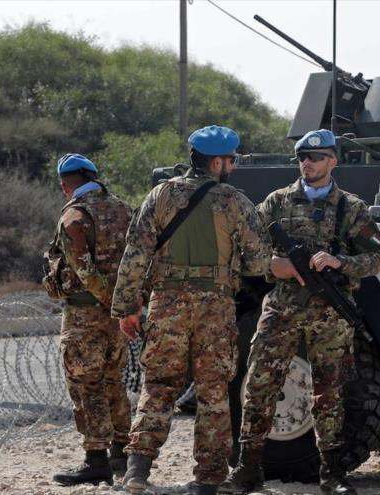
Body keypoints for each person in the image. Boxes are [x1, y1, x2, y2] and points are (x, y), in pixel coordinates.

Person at [222, 129, 380, 495]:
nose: (307, 163)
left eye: (316, 157)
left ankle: (332, 472)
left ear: (333, 161)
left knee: (330, 393)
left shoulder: (351, 209)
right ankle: (247, 469)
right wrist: (273, 265)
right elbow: (245, 251)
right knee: (259, 387)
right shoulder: (276, 204)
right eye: (303, 157)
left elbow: (377, 259)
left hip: (329, 313)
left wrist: (338, 261)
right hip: (281, 308)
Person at [112, 125, 271, 495]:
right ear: (217, 161)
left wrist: (127, 308)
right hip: (215, 306)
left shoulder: (160, 195)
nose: (232, 165)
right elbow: (260, 261)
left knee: (159, 385)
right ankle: (208, 480)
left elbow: (135, 254)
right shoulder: (234, 201)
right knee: (213, 391)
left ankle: (137, 471)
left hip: (166, 303)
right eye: (231, 159)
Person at [43, 154, 135, 486]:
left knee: (86, 385)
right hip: (119, 316)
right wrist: (125, 304)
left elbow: (83, 269)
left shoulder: (75, 215)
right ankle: (122, 453)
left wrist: (109, 299)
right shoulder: (124, 209)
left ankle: (96, 459)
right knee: (113, 381)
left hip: (85, 314)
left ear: (66, 184)